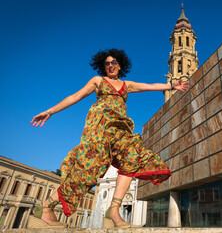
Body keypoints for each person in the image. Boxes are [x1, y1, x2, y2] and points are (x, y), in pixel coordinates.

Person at [29, 49, 189, 228]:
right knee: (87, 172)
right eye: (107, 63)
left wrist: (172, 86)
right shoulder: (98, 81)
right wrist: (50, 111)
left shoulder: (126, 85)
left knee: (131, 158)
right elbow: (75, 96)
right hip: (99, 129)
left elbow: (149, 86)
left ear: (120, 65)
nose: (111, 65)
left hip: (120, 130)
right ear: (103, 67)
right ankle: (47, 206)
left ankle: (114, 211)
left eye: (114, 62)